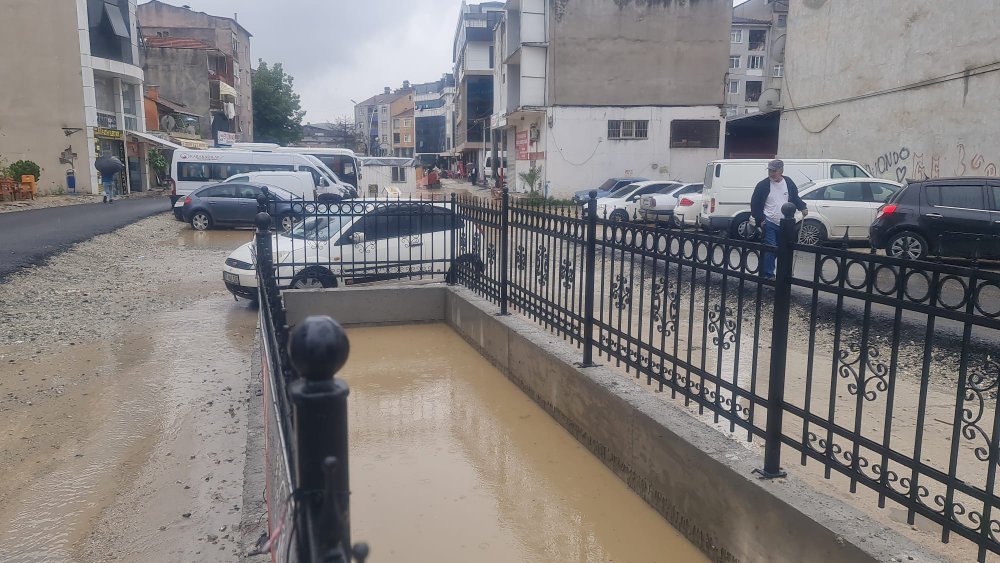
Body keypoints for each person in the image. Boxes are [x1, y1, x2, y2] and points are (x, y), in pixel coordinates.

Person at [749, 159, 808, 279]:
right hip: (769, 221)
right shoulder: (762, 185)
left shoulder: (788, 182)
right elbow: (755, 204)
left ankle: (780, 274)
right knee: (771, 247)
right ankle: (768, 275)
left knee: (783, 249)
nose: (771, 174)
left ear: (781, 171)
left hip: (785, 223)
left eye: (774, 171)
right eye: (769, 171)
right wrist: (760, 219)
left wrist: (802, 207)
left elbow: (795, 197)